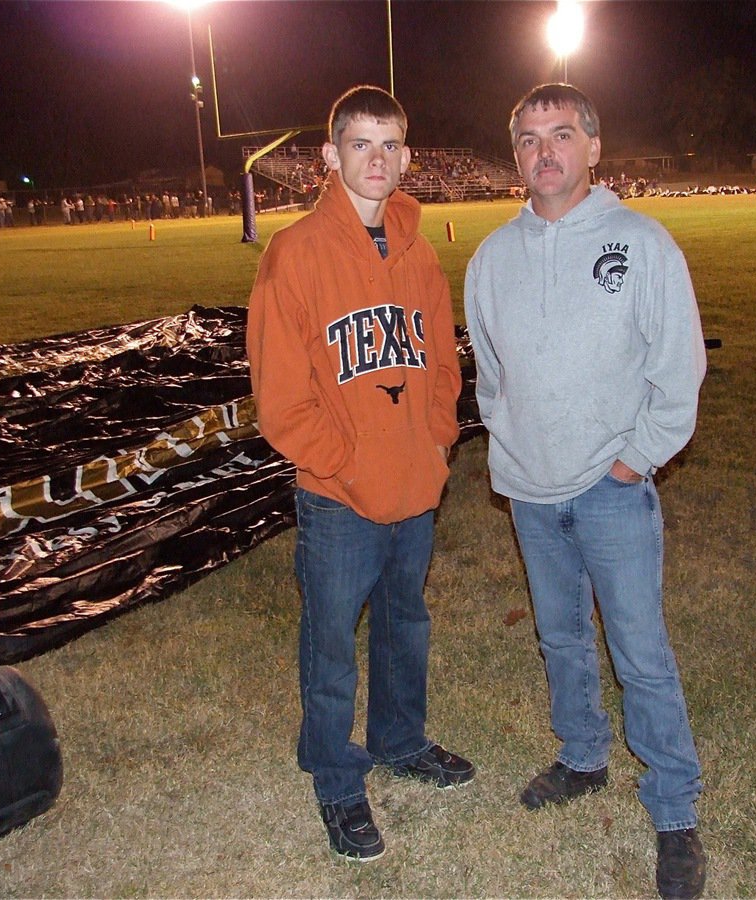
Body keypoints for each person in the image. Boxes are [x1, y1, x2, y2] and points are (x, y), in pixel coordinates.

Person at [464, 83, 708, 900]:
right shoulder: (492, 256)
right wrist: (513, 438)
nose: (545, 152)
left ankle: (674, 808)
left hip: (611, 488)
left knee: (639, 652)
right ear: (517, 156)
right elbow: (490, 376)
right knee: (560, 638)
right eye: (529, 138)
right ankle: (582, 756)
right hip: (530, 492)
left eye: (561, 134)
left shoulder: (642, 245)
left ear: (593, 148)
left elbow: (678, 373)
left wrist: (632, 462)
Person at [246, 85, 474, 864]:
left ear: (407, 156)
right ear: (329, 155)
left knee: (406, 624)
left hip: (415, 487)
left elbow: (442, 361)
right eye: (359, 145)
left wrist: (435, 441)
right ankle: (337, 780)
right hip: (339, 498)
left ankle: (401, 741)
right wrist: (345, 462)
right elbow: (280, 398)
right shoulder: (296, 254)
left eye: (389, 146)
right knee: (332, 644)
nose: (376, 161)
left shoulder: (418, 250)